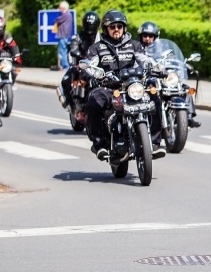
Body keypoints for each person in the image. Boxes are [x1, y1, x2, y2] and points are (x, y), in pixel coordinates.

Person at [84, 10, 165, 161]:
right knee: (94, 101)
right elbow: (89, 65)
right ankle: (99, 144)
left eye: (119, 26)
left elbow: (145, 60)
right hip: (108, 88)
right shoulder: (97, 48)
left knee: (155, 99)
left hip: (132, 87)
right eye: (113, 26)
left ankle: (154, 143)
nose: (116, 30)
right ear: (106, 29)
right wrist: (93, 75)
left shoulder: (135, 45)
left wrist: (157, 69)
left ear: (124, 28)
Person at [137, 21, 201, 128]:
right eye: (145, 36)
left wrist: (184, 65)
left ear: (155, 37)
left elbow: (172, 59)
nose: (147, 38)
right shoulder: (138, 48)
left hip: (163, 78)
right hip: (149, 79)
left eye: (150, 36)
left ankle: (188, 117)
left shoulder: (162, 47)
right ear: (141, 36)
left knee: (185, 89)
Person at [59, 11, 100, 110]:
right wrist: (79, 55)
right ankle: (71, 104)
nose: (90, 28)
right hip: (80, 64)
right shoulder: (78, 36)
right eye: (88, 25)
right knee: (66, 80)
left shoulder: (101, 37)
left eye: (92, 25)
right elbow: (73, 47)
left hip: (97, 66)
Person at [54, 1, 73, 70]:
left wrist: (56, 16)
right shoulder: (69, 14)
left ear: (63, 8)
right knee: (63, 51)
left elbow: (57, 20)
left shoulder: (66, 15)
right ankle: (64, 65)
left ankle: (65, 66)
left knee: (62, 52)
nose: (59, 9)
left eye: (60, 8)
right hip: (65, 35)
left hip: (63, 35)